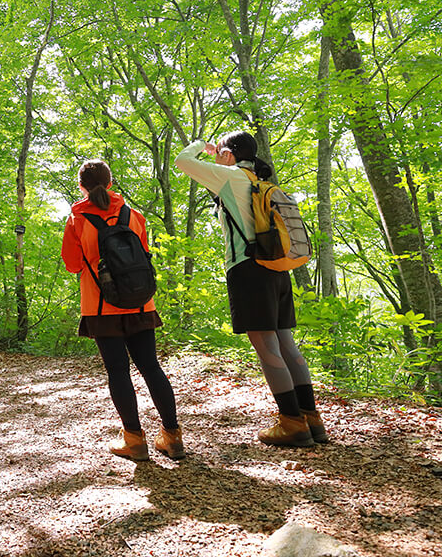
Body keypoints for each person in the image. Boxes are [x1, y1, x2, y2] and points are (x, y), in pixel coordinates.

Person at [174, 132, 329, 447]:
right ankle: (311, 419)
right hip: (276, 268)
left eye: (220, 151)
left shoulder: (230, 176)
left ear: (229, 154)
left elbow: (182, 162)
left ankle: (291, 424)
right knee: (287, 344)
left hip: (247, 270)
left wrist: (202, 147)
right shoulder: (258, 181)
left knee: (268, 349)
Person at [61, 160, 183, 461]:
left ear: (82, 187)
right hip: (141, 303)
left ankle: (134, 441)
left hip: (101, 307)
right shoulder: (134, 216)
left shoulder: (77, 220)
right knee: (152, 368)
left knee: (118, 371)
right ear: (111, 184)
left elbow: (73, 265)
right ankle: (173, 437)